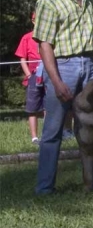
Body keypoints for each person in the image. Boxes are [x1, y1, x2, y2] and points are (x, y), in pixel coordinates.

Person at [33, 0, 93, 194]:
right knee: (53, 131)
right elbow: (44, 44)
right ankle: (45, 188)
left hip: (89, 64)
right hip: (62, 66)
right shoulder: (48, 0)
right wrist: (56, 81)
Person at [15, 12, 43, 144]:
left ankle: (47, 135)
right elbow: (22, 58)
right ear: (33, 21)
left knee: (49, 106)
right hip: (33, 75)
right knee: (33, 108)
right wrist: (29, 75)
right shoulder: (27, 38)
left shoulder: (50, 37)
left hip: (49, 74)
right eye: (37, 20)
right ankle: (34, 137)